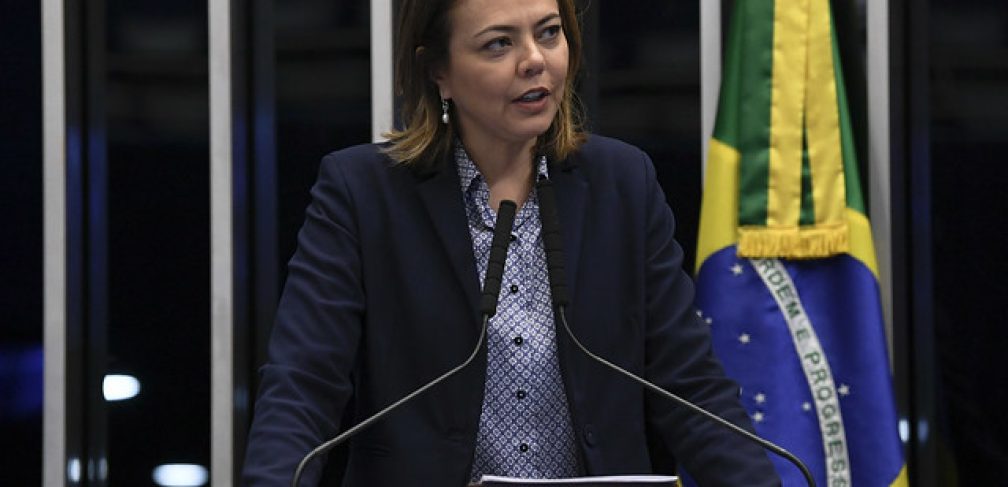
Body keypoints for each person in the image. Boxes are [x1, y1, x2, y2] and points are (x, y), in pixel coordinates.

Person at [241, 0, 781, 485]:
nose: (534, 60)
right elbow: (303, 384)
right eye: (499, 43)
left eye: (548, 33)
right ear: (439, 72)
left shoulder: (623, 183)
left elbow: (690, 387)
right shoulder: (362, 194)